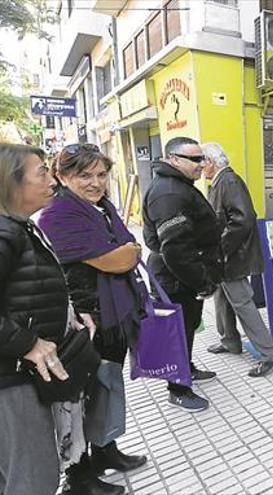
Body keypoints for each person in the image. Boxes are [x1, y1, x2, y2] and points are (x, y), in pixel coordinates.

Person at [39, 143, 148, 494]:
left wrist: (123, 252)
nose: (95, 183)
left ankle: (105, 450)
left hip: (113, 315)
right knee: (80, 397)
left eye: (101, 174)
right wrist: (122, 253)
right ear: (62, 176)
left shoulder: (102, 207)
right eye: (84, 175)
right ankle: (79, 473)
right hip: (83, 321)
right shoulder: (56, 215)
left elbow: (131, 245)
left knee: (108, 387)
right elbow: (118, 259)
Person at [0, 144, 69, 495]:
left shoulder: (20, 227)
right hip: (10, 378)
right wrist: (28, 343)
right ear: (11, 183)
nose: (51, 180)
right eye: (41, 172)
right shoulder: (5, 233)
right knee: (33, 477)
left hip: (19, 374)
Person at [142, 136, 222, 413]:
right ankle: (177, 389)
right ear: (174, 159)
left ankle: (186, 369)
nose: (202, 164)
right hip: (177, 278)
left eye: (203, 158)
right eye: (195, 159)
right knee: (176, 332)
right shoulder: (170, 192)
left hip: (183, 276)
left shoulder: (179, 186)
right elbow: (175, 248)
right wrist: (201, 282)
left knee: (186, 328)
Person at [201, 142, 273, 377]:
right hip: (226, 256)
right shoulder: (220, 181)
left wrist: (222, 247)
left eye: (201, 161)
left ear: (211, 162)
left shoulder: (228, 181)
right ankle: (229, 339)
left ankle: (271, 353)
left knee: (242, 303)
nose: (200, 166)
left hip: (232, 256)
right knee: (222, 298)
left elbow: (244, 218)